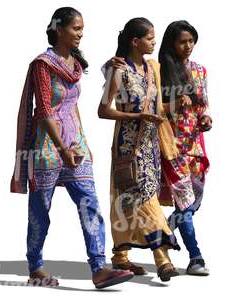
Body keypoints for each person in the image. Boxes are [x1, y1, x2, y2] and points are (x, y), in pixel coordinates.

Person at [10, 7, 134, 288]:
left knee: (90, 204)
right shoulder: (43, 64)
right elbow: (43, 109)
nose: (81, 34)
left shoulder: (75, 65)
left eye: (82, 29)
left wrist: (79, 145)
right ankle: (36, 266)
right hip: (47, 147)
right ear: (59, 29)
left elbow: (75, 104)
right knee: (41, 208)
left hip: (76, 144)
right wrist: (62, 148)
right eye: (76, 28)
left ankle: (99, 268)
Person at [98, 17, 180, 282]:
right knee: (144, 200)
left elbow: (159, 105)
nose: (154, 42)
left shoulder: (152, 68)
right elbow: (103, 110)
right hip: (127, 146)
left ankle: (121, 257)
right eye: (149, 38)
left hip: (151, 146)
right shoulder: (118, 70)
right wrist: (138, 117)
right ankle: (162, 258)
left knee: (129, 202)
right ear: (135, 41)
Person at [158, 20, 212, 276]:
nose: (188, 46)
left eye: (191, 40)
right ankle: (195, 257)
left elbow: (203, 104)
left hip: (196, 146)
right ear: (171, 43)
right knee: (184, 201)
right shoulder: (159, 72)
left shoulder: (200, 70)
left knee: (194, 202)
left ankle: (168, 227)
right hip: (171, 146)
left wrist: (206, 118)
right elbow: (150, 108)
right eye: (182, 41)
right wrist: (174, 103)